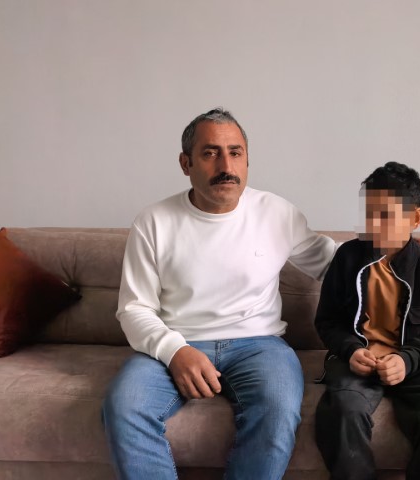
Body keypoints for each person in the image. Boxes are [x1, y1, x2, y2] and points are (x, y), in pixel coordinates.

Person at [102, 107, 337, 480]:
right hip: (177, 340)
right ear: (186, 163)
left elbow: (336, 264)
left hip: (259, 345)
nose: (226, 165)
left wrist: (403, 254)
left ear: (247, 160)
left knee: (277, 409)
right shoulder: (153, 221)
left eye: (235, 152)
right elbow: (134, 308)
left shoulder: (277, 212)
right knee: (124, 406)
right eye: (210, 153)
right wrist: (175, 351)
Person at [314, 161, 420, 480]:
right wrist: (351, 350)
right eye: (370, 213)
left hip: (417, 363)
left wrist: (407, 359)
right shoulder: (348, 258)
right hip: (359, 362)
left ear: (415, 218)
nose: (374, 224)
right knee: (342, 408)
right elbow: (327, 320)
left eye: (386, 215)